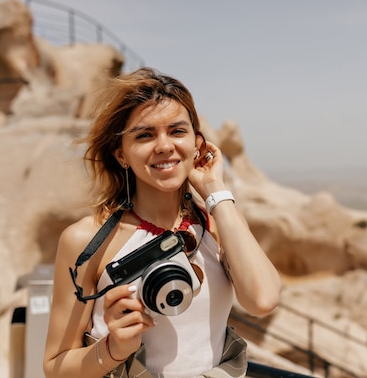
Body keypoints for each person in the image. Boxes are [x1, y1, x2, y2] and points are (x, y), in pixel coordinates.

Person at [43, 67, 282, 378]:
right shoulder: (87, 240)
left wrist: (216, 191)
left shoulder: (215, 223)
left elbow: (262, 300)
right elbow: (55, 367)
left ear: (198, 143)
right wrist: (114, 348)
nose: (164, 146)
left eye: (177, 131)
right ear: (121, 154)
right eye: (145, 135)